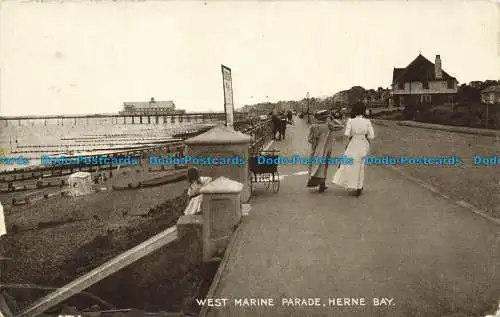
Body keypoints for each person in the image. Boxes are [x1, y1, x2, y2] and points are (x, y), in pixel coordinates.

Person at [332, 102, 375, 196]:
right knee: (361, 166)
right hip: (364, 143)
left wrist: (353, 133)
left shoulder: (350, 121)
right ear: (363, 110)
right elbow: (372, 136)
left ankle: (352, 184)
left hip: (353, 143)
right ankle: (360, 186)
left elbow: (347, 134)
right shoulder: (367, 121)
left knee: (350, 164)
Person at [307, 110, 344, 192]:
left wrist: (316, 141)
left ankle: (315, 181)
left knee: (316, 166)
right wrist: (333, 119)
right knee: (325, 166)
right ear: (326, 118)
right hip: (327, 149)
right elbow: (341, 126)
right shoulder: (329, 126)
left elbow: (309, 140)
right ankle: (322, 184)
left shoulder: (313, 126)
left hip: (316, 149)